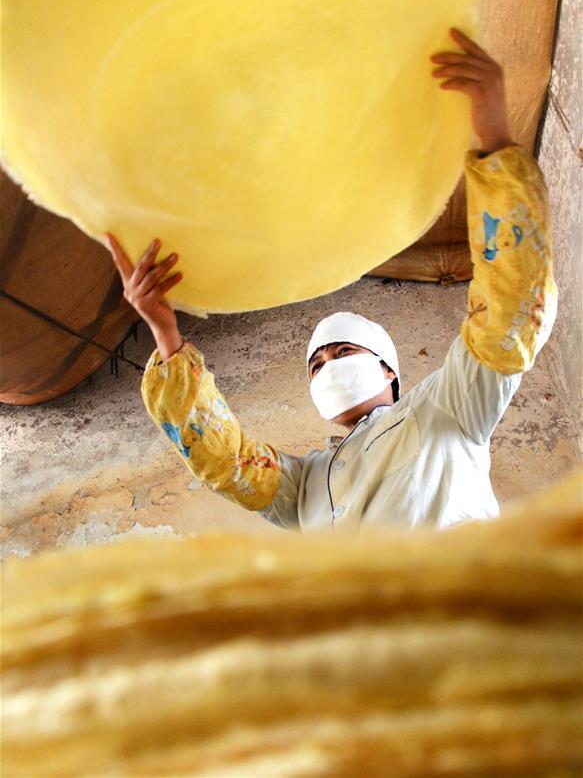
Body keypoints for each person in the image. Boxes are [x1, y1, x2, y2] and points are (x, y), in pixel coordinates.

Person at [106, 28, 557, 531]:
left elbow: (508, 313)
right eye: (316, 365)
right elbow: (226, 464)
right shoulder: (303, 487)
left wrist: (495, 134)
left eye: (342, 353)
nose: (327, 369)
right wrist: (166, 334)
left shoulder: (447, 408)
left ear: (389, 370)